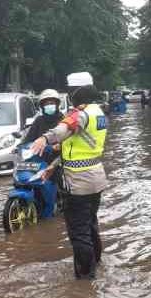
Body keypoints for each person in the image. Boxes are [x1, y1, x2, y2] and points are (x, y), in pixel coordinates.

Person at [31, 72, 108, 279]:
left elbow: (65, 127)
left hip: (79, 183)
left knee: (79, 234)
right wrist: (53, 165)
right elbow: (76, 147)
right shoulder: (97, 111)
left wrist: (44, 138)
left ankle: (85, 282)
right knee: (90, 225)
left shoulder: (80, 114)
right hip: (95, 179)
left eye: (70, 91)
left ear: (77, 92)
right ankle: (97, 265)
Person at [22, 89, 64, 218]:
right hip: (38, 160)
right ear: (42, 106)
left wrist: (57, 147)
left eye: (51, 103)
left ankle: (60, 203)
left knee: (60, 181)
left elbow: (67, 141)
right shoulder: (39, 121)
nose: (49, 105)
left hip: (57, 161)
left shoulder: (63, 120)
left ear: (57, 105)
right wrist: (20, 146)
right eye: (46, 103)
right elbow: (28, 139)